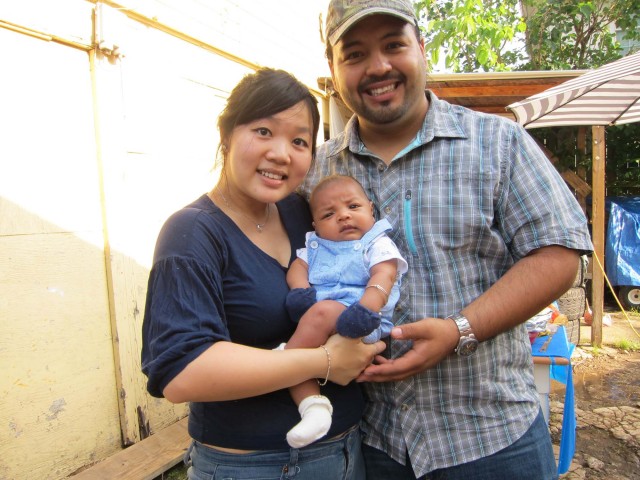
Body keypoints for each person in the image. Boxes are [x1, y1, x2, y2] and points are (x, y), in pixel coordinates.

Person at [299, 1, 594, 479]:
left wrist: (461, 329)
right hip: (369, 442)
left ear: (422, 48)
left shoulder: (498, 142)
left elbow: (558, 254)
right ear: (332, 68)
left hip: (492, 437)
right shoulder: (315, 172)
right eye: (354, 54)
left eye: (393, 45)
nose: (378, 66)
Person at [141, 67, 385, 480]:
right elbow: (182, 373)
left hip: (347, 448)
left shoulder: (302, 214)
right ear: (226, 134)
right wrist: (324, 360)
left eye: (299, 141)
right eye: (263, 132)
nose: (281, 154)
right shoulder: (192, 233)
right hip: (254, 465)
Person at [283, 174, 408, 449]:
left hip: (362, 318)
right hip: (323, 319)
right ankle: (312, 407)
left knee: (321, 314)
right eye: (329, 214)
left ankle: (284, 361)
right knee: (316, 326)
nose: (343, 216)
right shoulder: (316, 245)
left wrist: (366, 309)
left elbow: (383, 277)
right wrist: (300, 291)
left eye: (353, 207)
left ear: (371, 209)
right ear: (315, 225)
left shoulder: (376, 242)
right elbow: (297, 268)